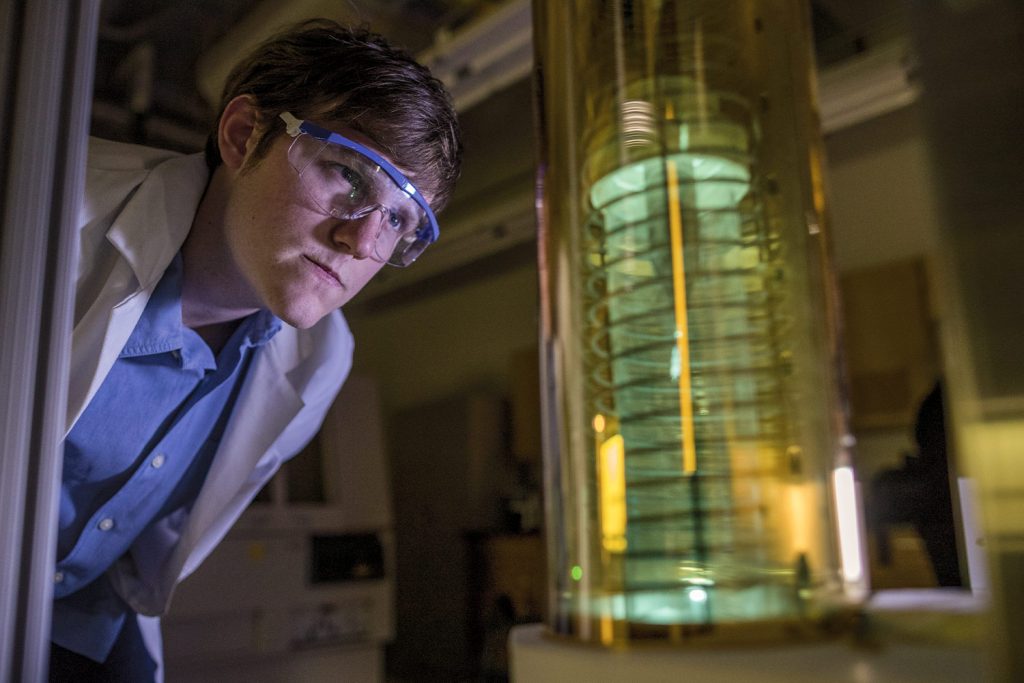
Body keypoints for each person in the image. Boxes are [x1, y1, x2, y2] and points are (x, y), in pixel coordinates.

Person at [49, 19, 462, 681]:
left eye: (398, 220)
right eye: (351, 178)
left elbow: (144, 548)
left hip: (83, 615)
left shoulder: (322, 360)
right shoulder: (48, 210)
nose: (361, 242)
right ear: (244, 136)